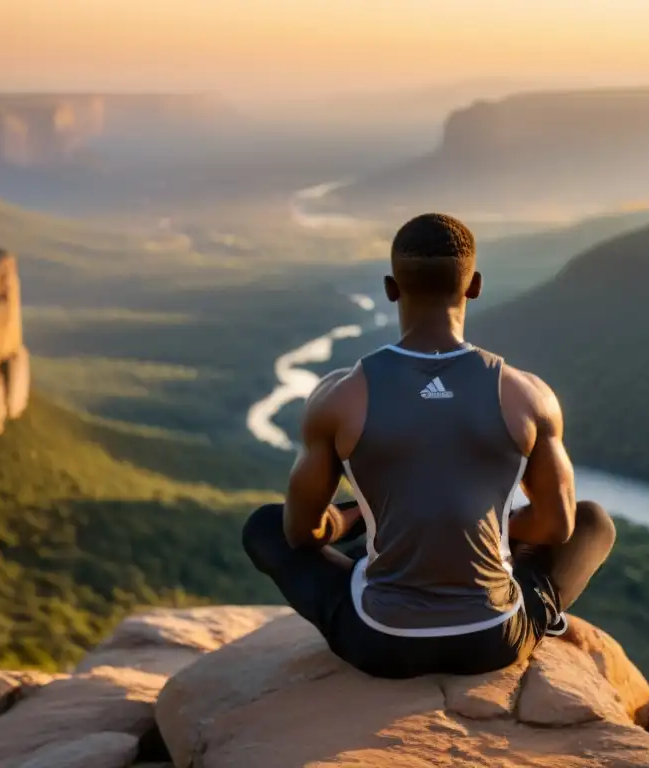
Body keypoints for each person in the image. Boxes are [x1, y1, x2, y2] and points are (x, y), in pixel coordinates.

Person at [242, 212, 616, 679]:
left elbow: (300, 532)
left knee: (263, 526)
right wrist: (486, 529)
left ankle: (381, 560)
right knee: (593, 521)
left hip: (380, 644)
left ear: (391, 288)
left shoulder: (340, 395)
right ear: (474, 285)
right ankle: (542, 617)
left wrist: (351, 518)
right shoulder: (528, 394)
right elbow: (557, 526)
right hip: (494, 640)